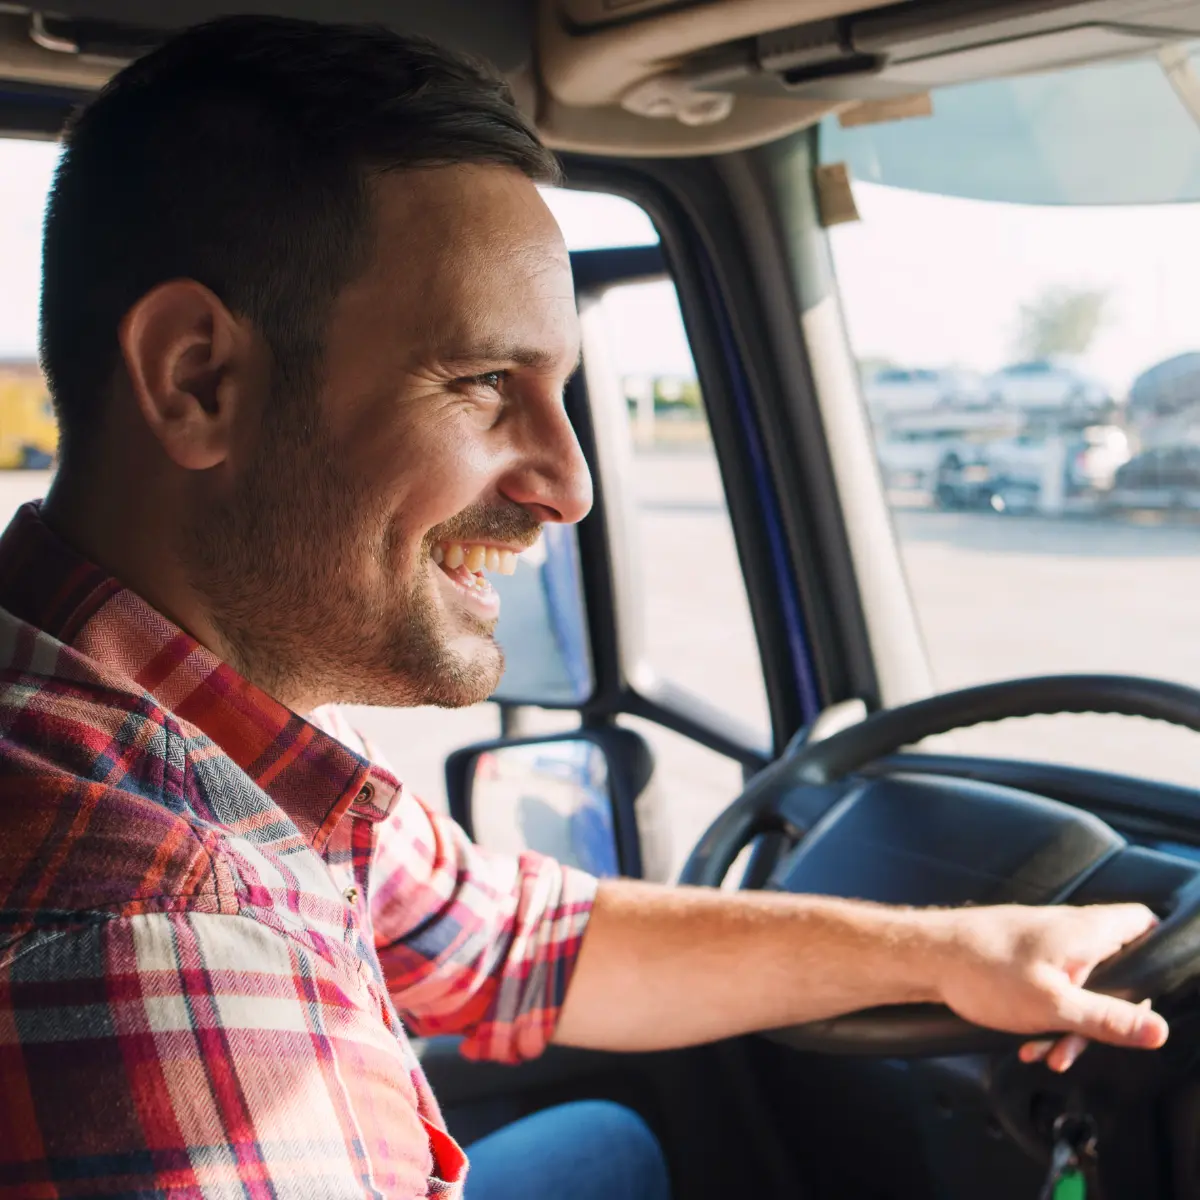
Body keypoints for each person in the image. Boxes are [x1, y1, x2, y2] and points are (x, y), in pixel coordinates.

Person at [0, 15, 1168, 1198]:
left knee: (607, 1144)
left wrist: (961, 951)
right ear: (197, 377)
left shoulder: (189, 699)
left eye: (557, 389)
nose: (571, 487)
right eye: (483, 383)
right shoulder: (151, 942)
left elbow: (501, 942)